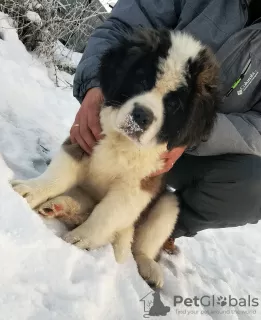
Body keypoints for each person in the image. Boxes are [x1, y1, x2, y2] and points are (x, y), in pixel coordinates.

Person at [71, 0, 261, 241]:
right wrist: (94, 86)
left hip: (195, 148)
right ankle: (84, 179)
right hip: (130, 116)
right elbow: (122, 27)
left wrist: (191, 135)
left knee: (257, 184)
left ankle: (150, 231)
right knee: (85, 162)